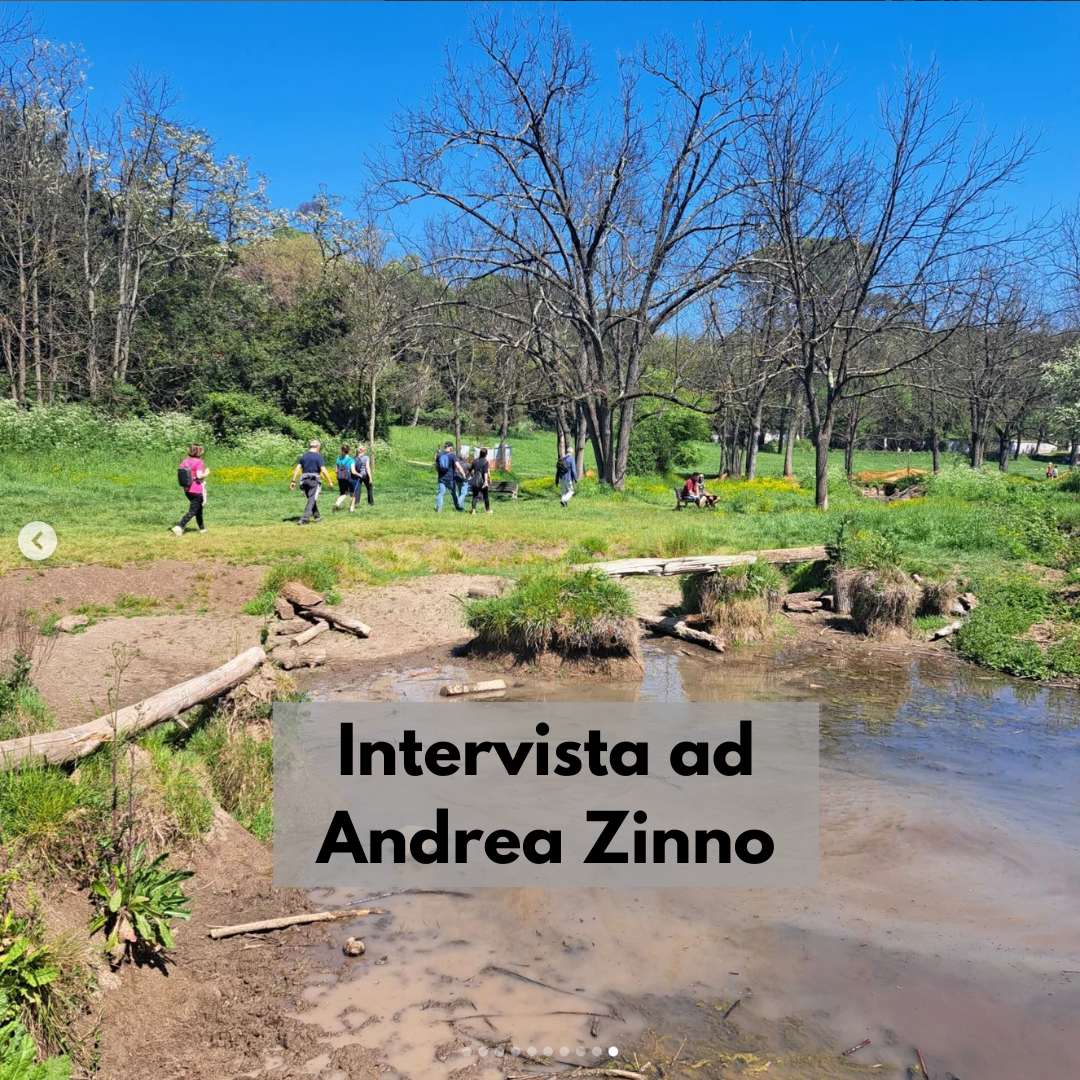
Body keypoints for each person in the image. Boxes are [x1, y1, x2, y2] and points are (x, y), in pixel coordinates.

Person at [289, 439, 334, 525]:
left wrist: (293, 481)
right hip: (313, 480)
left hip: (304, 481)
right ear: (318, 447)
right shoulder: (318, 457)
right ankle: (304, 518)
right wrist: (329, 481)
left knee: (311, 499)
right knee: (311, 499)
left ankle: (317, 517)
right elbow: (323, 470)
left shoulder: (303, 456)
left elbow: (297, 468)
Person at [171, 444, 209, 535]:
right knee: (193, 510)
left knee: (198, 509)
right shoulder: (199, 462)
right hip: (196, 489)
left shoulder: (184, 462)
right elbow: (199, 476)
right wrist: (206, 473)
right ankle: (179, 526)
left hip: (187, 489)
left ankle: (202, 528)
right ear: (200, 452)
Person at [435, 441, 466, 512]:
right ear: (451, 447)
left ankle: (439, 509)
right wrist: (463, 474)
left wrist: (439, 473)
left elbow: (436, 466)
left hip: (441, 478)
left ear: (445, 446)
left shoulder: (439, 454)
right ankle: (458, 507)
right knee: (454, 493)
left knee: (441, 493)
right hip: (450, 479)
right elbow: (458, 466)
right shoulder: (452, 455)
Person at [332, 444, 357, 512]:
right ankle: (351, 509)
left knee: (343, 493)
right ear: (349, 451)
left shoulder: (338, 459)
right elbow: (353, 471)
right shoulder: (351, 460)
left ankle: (337, 504)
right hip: (349, 478)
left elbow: (336, 471)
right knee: (352, 493)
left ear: (342, 450)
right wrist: (360, 475)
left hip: (340, 479)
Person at [469, 446, 493, 515]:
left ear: (480, 453)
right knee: (485, 496)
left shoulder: (475, 461)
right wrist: (486, 482)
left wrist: (472, 475)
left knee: (475, 496)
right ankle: (488, 510)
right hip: (482, 482)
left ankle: (473, 511)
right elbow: (485, 472)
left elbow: (470, 470)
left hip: (475, 481)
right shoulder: (485, 462)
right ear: (486, 454)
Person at [350, 443, 374, 509]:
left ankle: (356, 503)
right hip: (365, 475)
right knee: (369, 488)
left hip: (357, 475)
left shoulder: (354, 458)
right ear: (364, 450)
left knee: (357, 490)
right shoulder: (366, 457)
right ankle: (371, 503)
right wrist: (370, 477)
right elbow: (367, 468)